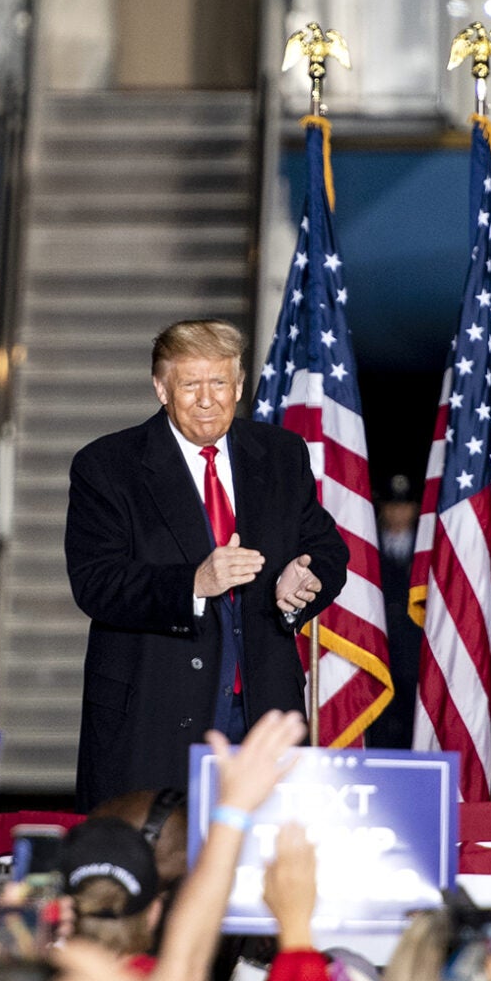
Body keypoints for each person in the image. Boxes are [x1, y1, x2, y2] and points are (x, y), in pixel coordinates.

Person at [64, 320, 350, 806]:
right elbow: (96, 583)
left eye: (219, 382)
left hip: (262, 711)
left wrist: (303, 579)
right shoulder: (107, 465)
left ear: (238, 386)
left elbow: (328, 550)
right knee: (157, 870)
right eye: (189, 384)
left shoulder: (281, 454)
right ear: (161, 388)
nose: (206, 398)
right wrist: (193, 584)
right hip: (152, 715)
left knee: (261, 867)